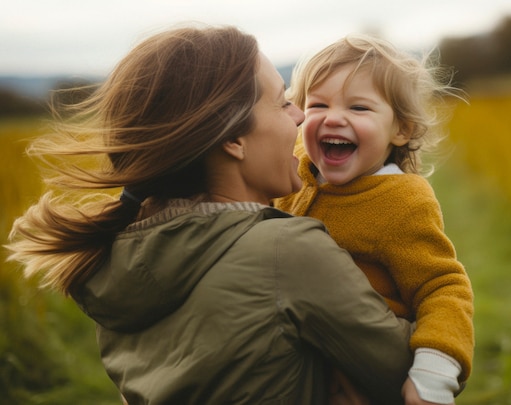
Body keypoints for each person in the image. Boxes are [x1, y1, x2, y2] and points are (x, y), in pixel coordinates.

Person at [5, 26, 415, 404]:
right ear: (233, 139)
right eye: (282, 102)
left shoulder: (119, 251)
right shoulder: (287, 251)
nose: (301, 115)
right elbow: (408, 374)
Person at [273, 34, 474, 405]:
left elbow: (442, 287)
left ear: (401, 129)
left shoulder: (401, 201)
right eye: (318, 105)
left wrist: (435, 369)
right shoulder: (293, 170)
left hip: (365, 371)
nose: (333, 118)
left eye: (359, 108)